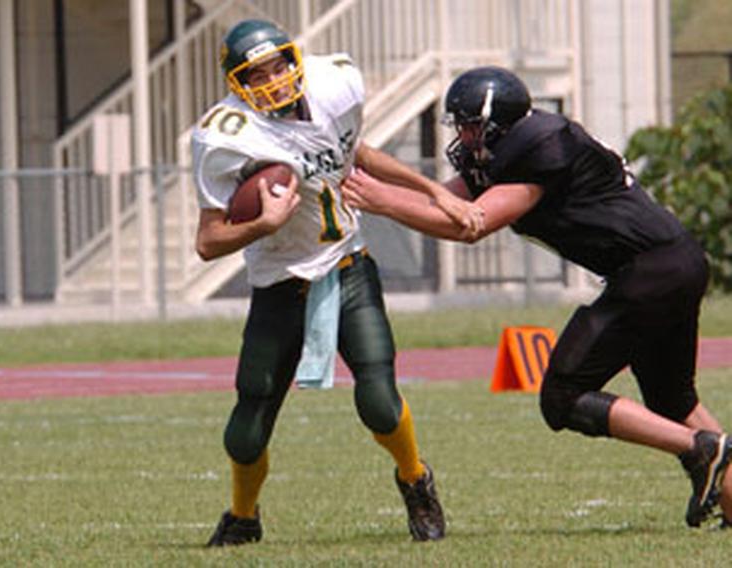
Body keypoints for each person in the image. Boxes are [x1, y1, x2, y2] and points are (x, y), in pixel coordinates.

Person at [341, 65, 732, 529]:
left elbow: (471, 223)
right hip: (671, 263)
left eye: (471, 126)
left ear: (500, 125)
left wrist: (380, 200)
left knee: (564, 397)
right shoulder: (512, 149)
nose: (464, 138)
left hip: (650, 272)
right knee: (672, 401)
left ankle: (701, 450)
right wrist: (372, 179)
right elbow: (442, 202)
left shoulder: (541, 148)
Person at [191, 19, 482, 546]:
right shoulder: (226, 136)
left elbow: (354, 151)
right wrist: (262, 225)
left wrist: (433, 190)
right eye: (257, 74)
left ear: (294, 59)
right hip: (280, 282)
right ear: (236, 83)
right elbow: (208, 242)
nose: (274, 80)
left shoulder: (335, 83)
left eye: (279, 65)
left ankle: (415, 479)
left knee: (379, 400)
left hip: (347, 266)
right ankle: (242, 516)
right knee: (247, 426)